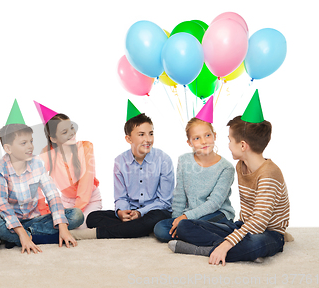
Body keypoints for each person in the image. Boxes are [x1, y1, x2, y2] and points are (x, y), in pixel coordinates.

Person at [169, 90, 290, 265]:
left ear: (242, 145)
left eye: (230, 140)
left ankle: (202, 250)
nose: (227, 145)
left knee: (252, 244)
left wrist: (226, 245)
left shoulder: (269, 174)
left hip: (268, 233)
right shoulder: (241, 166)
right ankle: (233, 249)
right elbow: (247, 223)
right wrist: (230, 238)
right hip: (242, 227)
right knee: (185, 226)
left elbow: (259, 223)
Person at [0, 99, 83, 254]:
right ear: (8, 148)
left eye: (31, 141)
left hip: (34, 220)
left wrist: (62, 226)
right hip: (7, 220)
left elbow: (52, 194)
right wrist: (21, 232)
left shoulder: (37, 163)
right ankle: (29, 237)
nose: (30, 146)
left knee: (76, 215)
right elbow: (1, 204)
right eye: (23, 143)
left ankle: (15, 237)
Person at [71, 100, 174, 239]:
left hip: (154, 211)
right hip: (132, 212)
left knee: (156, 218)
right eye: (141, 134)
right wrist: (121, 212)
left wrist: (140, 213)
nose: (148, 139)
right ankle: (137, 229)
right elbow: (120, 197)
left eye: (151, 133)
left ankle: (101, 233)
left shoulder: (164, 160)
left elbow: (164, 202)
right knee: (92, 218)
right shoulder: (120, 162)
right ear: (128, 138)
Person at [153, 98, 236, 242]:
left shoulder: (226, 168)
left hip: (217, 214)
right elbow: (179, 195)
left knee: (187, 226)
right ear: (189, 142)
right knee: (160, 228)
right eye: (197, 138)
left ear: (214, 136)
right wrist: (176, 221)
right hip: (190, 217)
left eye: (207, 135)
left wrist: (185, 218)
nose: (204, 141)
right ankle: (198, 235)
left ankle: (197, 235)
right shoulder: (184, 160)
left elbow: (214, 203)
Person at [34, 101, 102, 229]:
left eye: (71, 128)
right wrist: (44, 210)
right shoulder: (48, 154)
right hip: (65, 202)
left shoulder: (86, 147)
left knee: (81, 226)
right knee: (57, 225)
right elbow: (35, 180)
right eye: (64, 132)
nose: (71, 133)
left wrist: (73, 213)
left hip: (89, 200)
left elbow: (85, 185)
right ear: (53, 138)